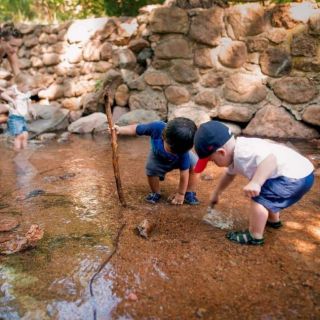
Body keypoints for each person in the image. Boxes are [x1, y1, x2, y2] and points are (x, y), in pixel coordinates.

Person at [193, 120, 315, 245]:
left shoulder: (244, 153)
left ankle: (255, 235)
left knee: (258, 198)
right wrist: (217, 192)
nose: (213, 164)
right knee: (268, 192)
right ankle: (273, 221)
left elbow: (270, 160)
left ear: (221, 152)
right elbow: (229, 175)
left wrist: (256, 182)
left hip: (294, 177)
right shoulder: (236, 150)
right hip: (301, 173)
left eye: (212, 161)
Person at [110, 117, 200, 205]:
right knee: (151, 169)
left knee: (195, 165)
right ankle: (156, 192)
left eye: (177, 151)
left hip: (181, 158)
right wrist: (120, 130)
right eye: (172, 150)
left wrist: (181, 193)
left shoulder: (183, 153)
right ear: (163, 136)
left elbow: (184, 174)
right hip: (158, 156)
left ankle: (189, 192)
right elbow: (135, 129)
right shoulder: (156, 127)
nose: (174, 153)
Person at [0, 84, 36, 150]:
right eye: (29, 86)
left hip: (22, 118)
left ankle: (24, 150)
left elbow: (28, 101)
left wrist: (31, 109)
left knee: (25, 135)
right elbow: (3, 94)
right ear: (22, 85)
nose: (30, 89)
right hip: (14, 117)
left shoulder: (25, 93)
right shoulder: (14, 91)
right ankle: (17, 151)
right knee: (19, 136)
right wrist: (12, 100)